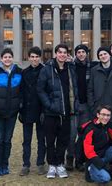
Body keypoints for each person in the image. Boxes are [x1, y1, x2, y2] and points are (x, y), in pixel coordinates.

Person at [37, 44, 79, 179]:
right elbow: (40, 89)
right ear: (55, 54)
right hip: (51, 112)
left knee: (63, 140)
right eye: (59, 52)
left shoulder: (71, 69)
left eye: (64, 53)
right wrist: (49, 105)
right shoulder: (47, 69)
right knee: (50, 140)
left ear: (67, 55)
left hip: (66, 112)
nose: (62, 55)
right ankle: (52, 165)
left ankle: (60, 164)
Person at [0, 48, 22, 177]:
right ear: (1, 59)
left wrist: (19, 104)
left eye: (9, 57)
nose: (7, 59)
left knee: (7, 140)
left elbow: (22, 91)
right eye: (5, 57)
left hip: (12, 113)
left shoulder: (18, 73)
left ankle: (5, 165)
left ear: (12, 58)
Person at [67, 44, 98, 171]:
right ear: (75, 54)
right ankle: (69, 158)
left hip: (87, 105)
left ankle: (80, 160)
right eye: (78, 52)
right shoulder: (71, 66)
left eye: (83, 52)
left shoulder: (93, 67)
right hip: (74, 104)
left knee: (84, 135)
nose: (81, 54)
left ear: (87, 53)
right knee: (72, 134)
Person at [82, 105, 112, 184]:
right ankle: (90, 171)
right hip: (93, 160)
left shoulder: (107, 125)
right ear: (98, 115)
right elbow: (89, 153)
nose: (106, 117)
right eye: (103, 115)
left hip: (105, 154)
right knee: (106, 178)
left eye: (108, 115)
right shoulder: (90, 129)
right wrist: (105, 166)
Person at [19, 47, 46, 176]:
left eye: (37, 57)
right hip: (27, 110)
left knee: (41, 139)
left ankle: (40, 163)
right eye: (32, 57)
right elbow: (22, 91)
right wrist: (21, 109)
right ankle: (26, 164)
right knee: (27, 140)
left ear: (40, 57)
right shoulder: (24, 72)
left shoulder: (45, 70)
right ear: (29, 57)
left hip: (41, 109)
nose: (34, 59)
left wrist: (45, 110)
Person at [87, 46, 112, 129]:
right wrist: (92, 106)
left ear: (110, 55)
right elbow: (90, 90)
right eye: (100, 55)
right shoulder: (94, 71)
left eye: (105, 54)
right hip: (98, 110)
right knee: (99, 138)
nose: (103, 56)